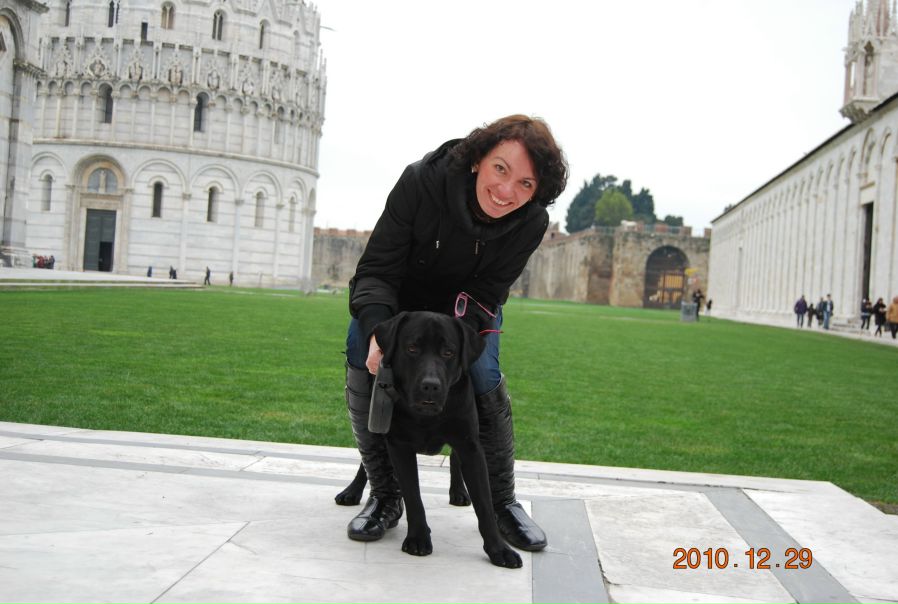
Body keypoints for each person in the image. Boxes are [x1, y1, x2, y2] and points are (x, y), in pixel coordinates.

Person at [342, 115, 568, 552]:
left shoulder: (531, 221)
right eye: (500, 169)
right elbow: (377, 270)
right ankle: (386, 495)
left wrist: (457, 347)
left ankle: (501, 503)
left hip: (465, 313)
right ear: (477, 160)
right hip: (400, 303)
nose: (506, 191)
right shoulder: (420, 182)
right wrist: (377, 334)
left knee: (482, 374)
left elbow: (488, 291)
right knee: (360, 350)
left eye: (525, 184)